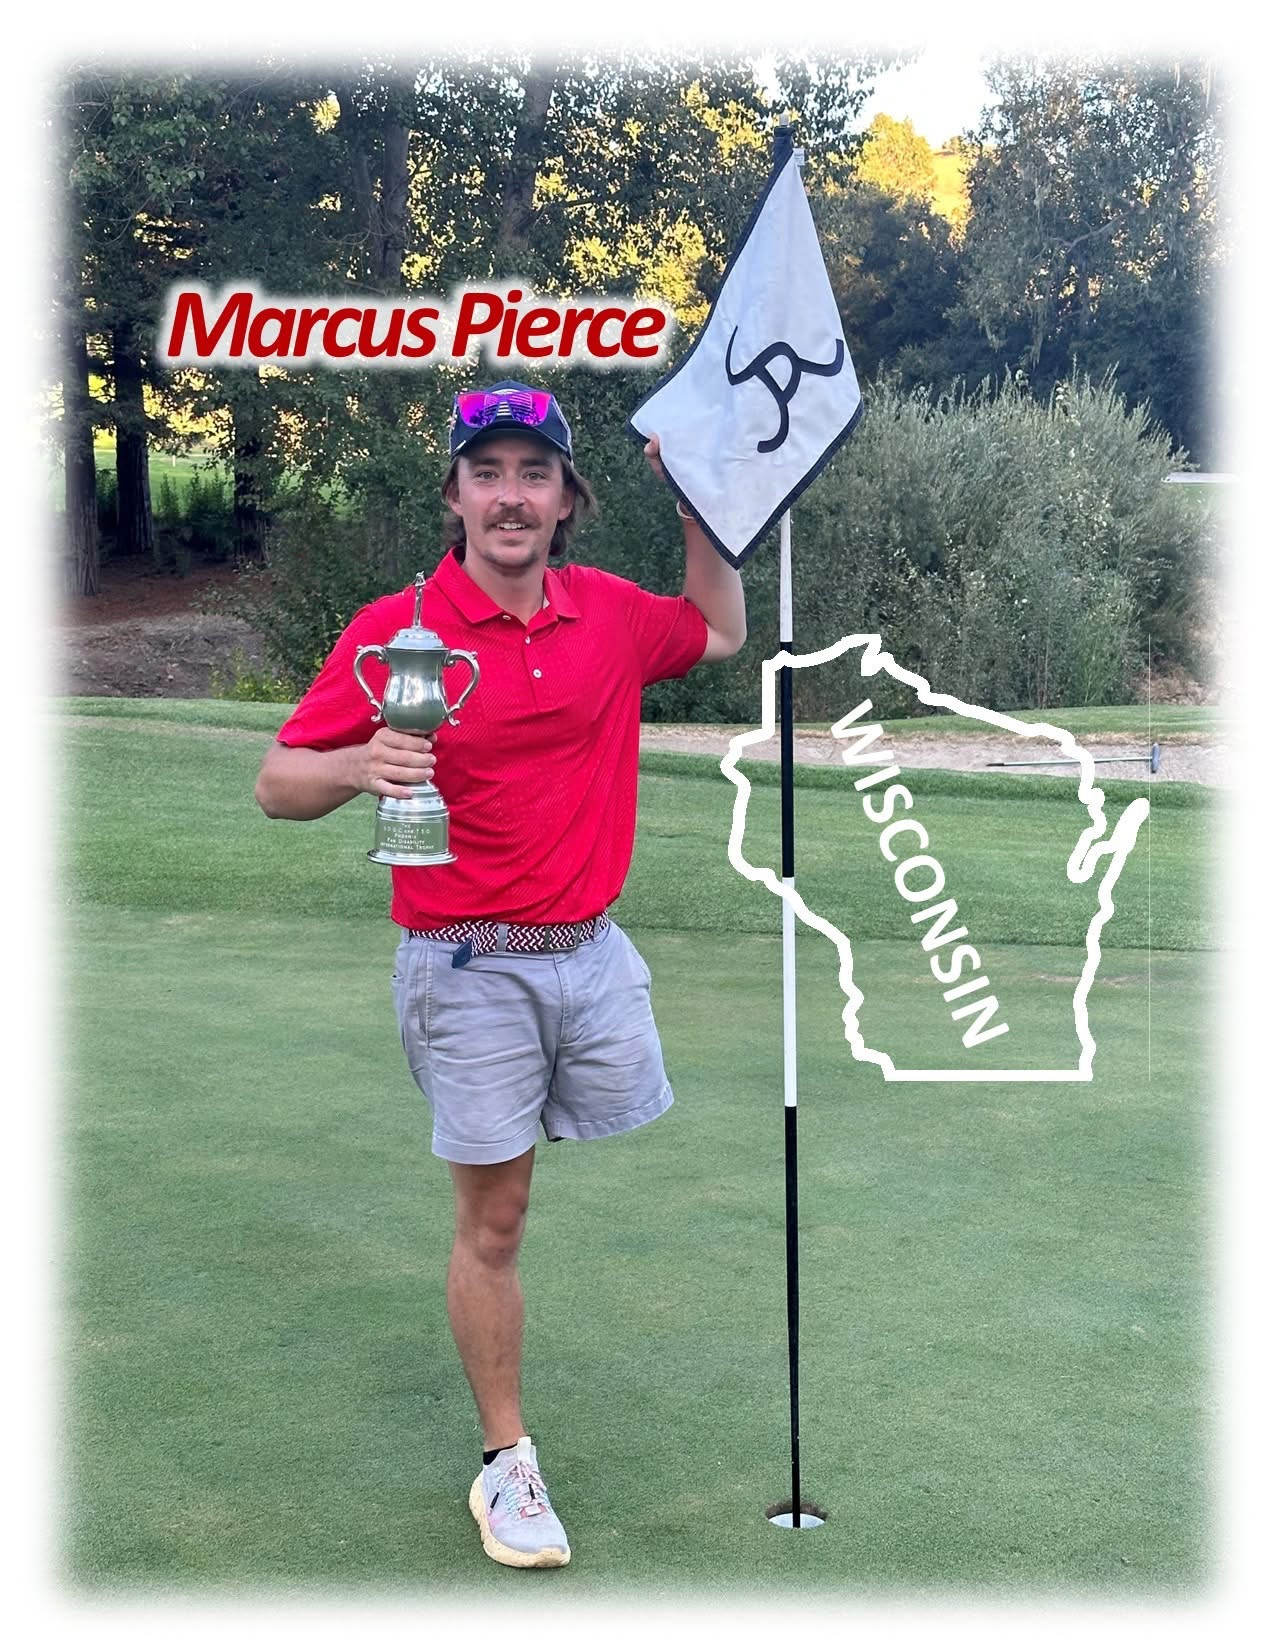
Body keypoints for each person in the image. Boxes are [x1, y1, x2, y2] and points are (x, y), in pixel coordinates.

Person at [254, 380, 746, 1569]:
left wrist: (698, 505)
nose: (510, 496)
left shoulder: (612, 615)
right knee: (497, 1219)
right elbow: (277, 783)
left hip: (592, 957)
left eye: (535, 475)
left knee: (526, 1189)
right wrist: (353, 765)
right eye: (488, 474)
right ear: (456, 497)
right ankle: (505, 1466)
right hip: (467, 962)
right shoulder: (398, 630)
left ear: (569, 501)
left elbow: (720, 630)